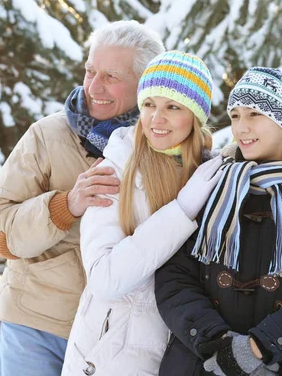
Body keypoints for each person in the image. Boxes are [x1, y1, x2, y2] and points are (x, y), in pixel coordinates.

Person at [0, 20, 165, 376]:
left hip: (119, 333)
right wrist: (66, 205)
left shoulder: (163, 144)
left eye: (111, 77)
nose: (94, 86)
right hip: (39, 325)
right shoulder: (46, 136)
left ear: (146, 83)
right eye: (90, 71)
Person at [155, 67, 282, 376]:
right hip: (202, 363)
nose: (241, 128)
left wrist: (260, 348)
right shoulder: (210, 183)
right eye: (234, 116)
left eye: (254, 114)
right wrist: (219, 345)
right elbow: (174, 274)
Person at [61, 51, 224, 376]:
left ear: (194, 115)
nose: (156, 119)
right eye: (149, 104)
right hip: (112, 359)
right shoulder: (114, 171)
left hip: (182, 358)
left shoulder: (212, 176)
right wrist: (181, 212)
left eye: (172, 107)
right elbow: (105, 279)